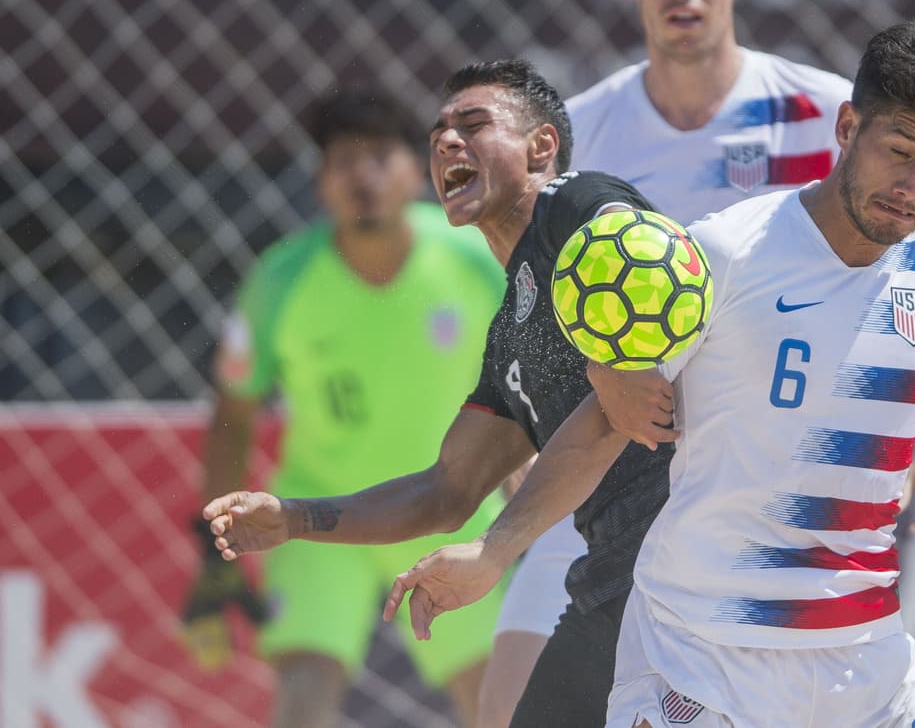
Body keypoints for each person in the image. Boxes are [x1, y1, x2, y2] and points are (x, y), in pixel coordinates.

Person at [382, 21, 915, 728]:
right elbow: (604, 420)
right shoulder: (727, 252)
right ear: (846, 127)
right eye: (899, 151)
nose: (913, 184)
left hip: (865, 665)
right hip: (700, 661)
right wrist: (496, 549)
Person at [491, 0, 915, 712]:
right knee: (506, 708)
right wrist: (533, 421)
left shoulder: (824, 113)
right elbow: (527, 296)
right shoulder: (582, 129)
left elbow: (914, 267)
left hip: (763, 483)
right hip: (609, 465)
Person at [202, 60, 674, 728]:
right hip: (602, 568)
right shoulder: (509, 331)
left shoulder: (584, 212)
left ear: (542, 148)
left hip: (696, 557)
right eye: (439, 135)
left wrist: (623, 357)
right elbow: (446, 491)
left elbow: (620, 378)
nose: (448, 142)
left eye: (473, 125)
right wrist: (293, 518)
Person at [188, 87, 508, 728]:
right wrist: (211, 560)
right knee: (301, 701)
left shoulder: (475, 259)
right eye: (343, 161)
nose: (362, 176)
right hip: (316, 514)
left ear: (416, 171)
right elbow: (234, 414)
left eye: (379, 157)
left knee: (498, 705)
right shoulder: (281, 279)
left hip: (453, 507)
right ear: (321, 181)